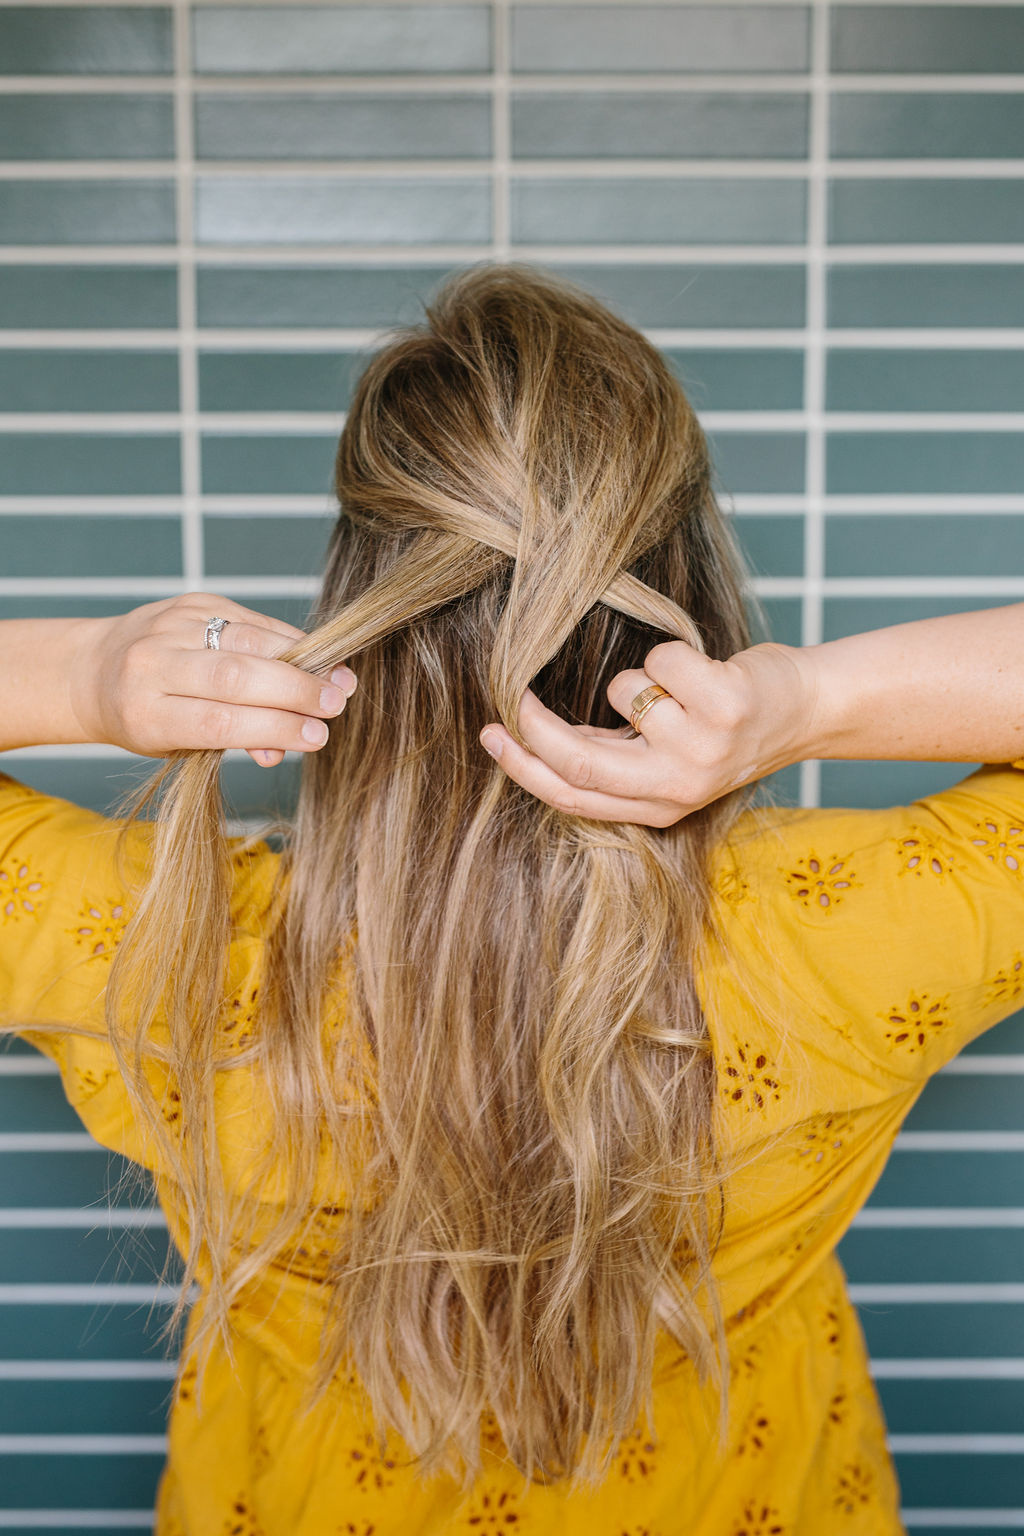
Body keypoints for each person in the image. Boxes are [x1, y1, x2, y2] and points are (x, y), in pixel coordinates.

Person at [2, 263, 1023, 1535]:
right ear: (690, 568)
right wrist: (804, 700)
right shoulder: (845, 928)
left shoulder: (165, 943)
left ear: (357, 590)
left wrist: (84, 674)